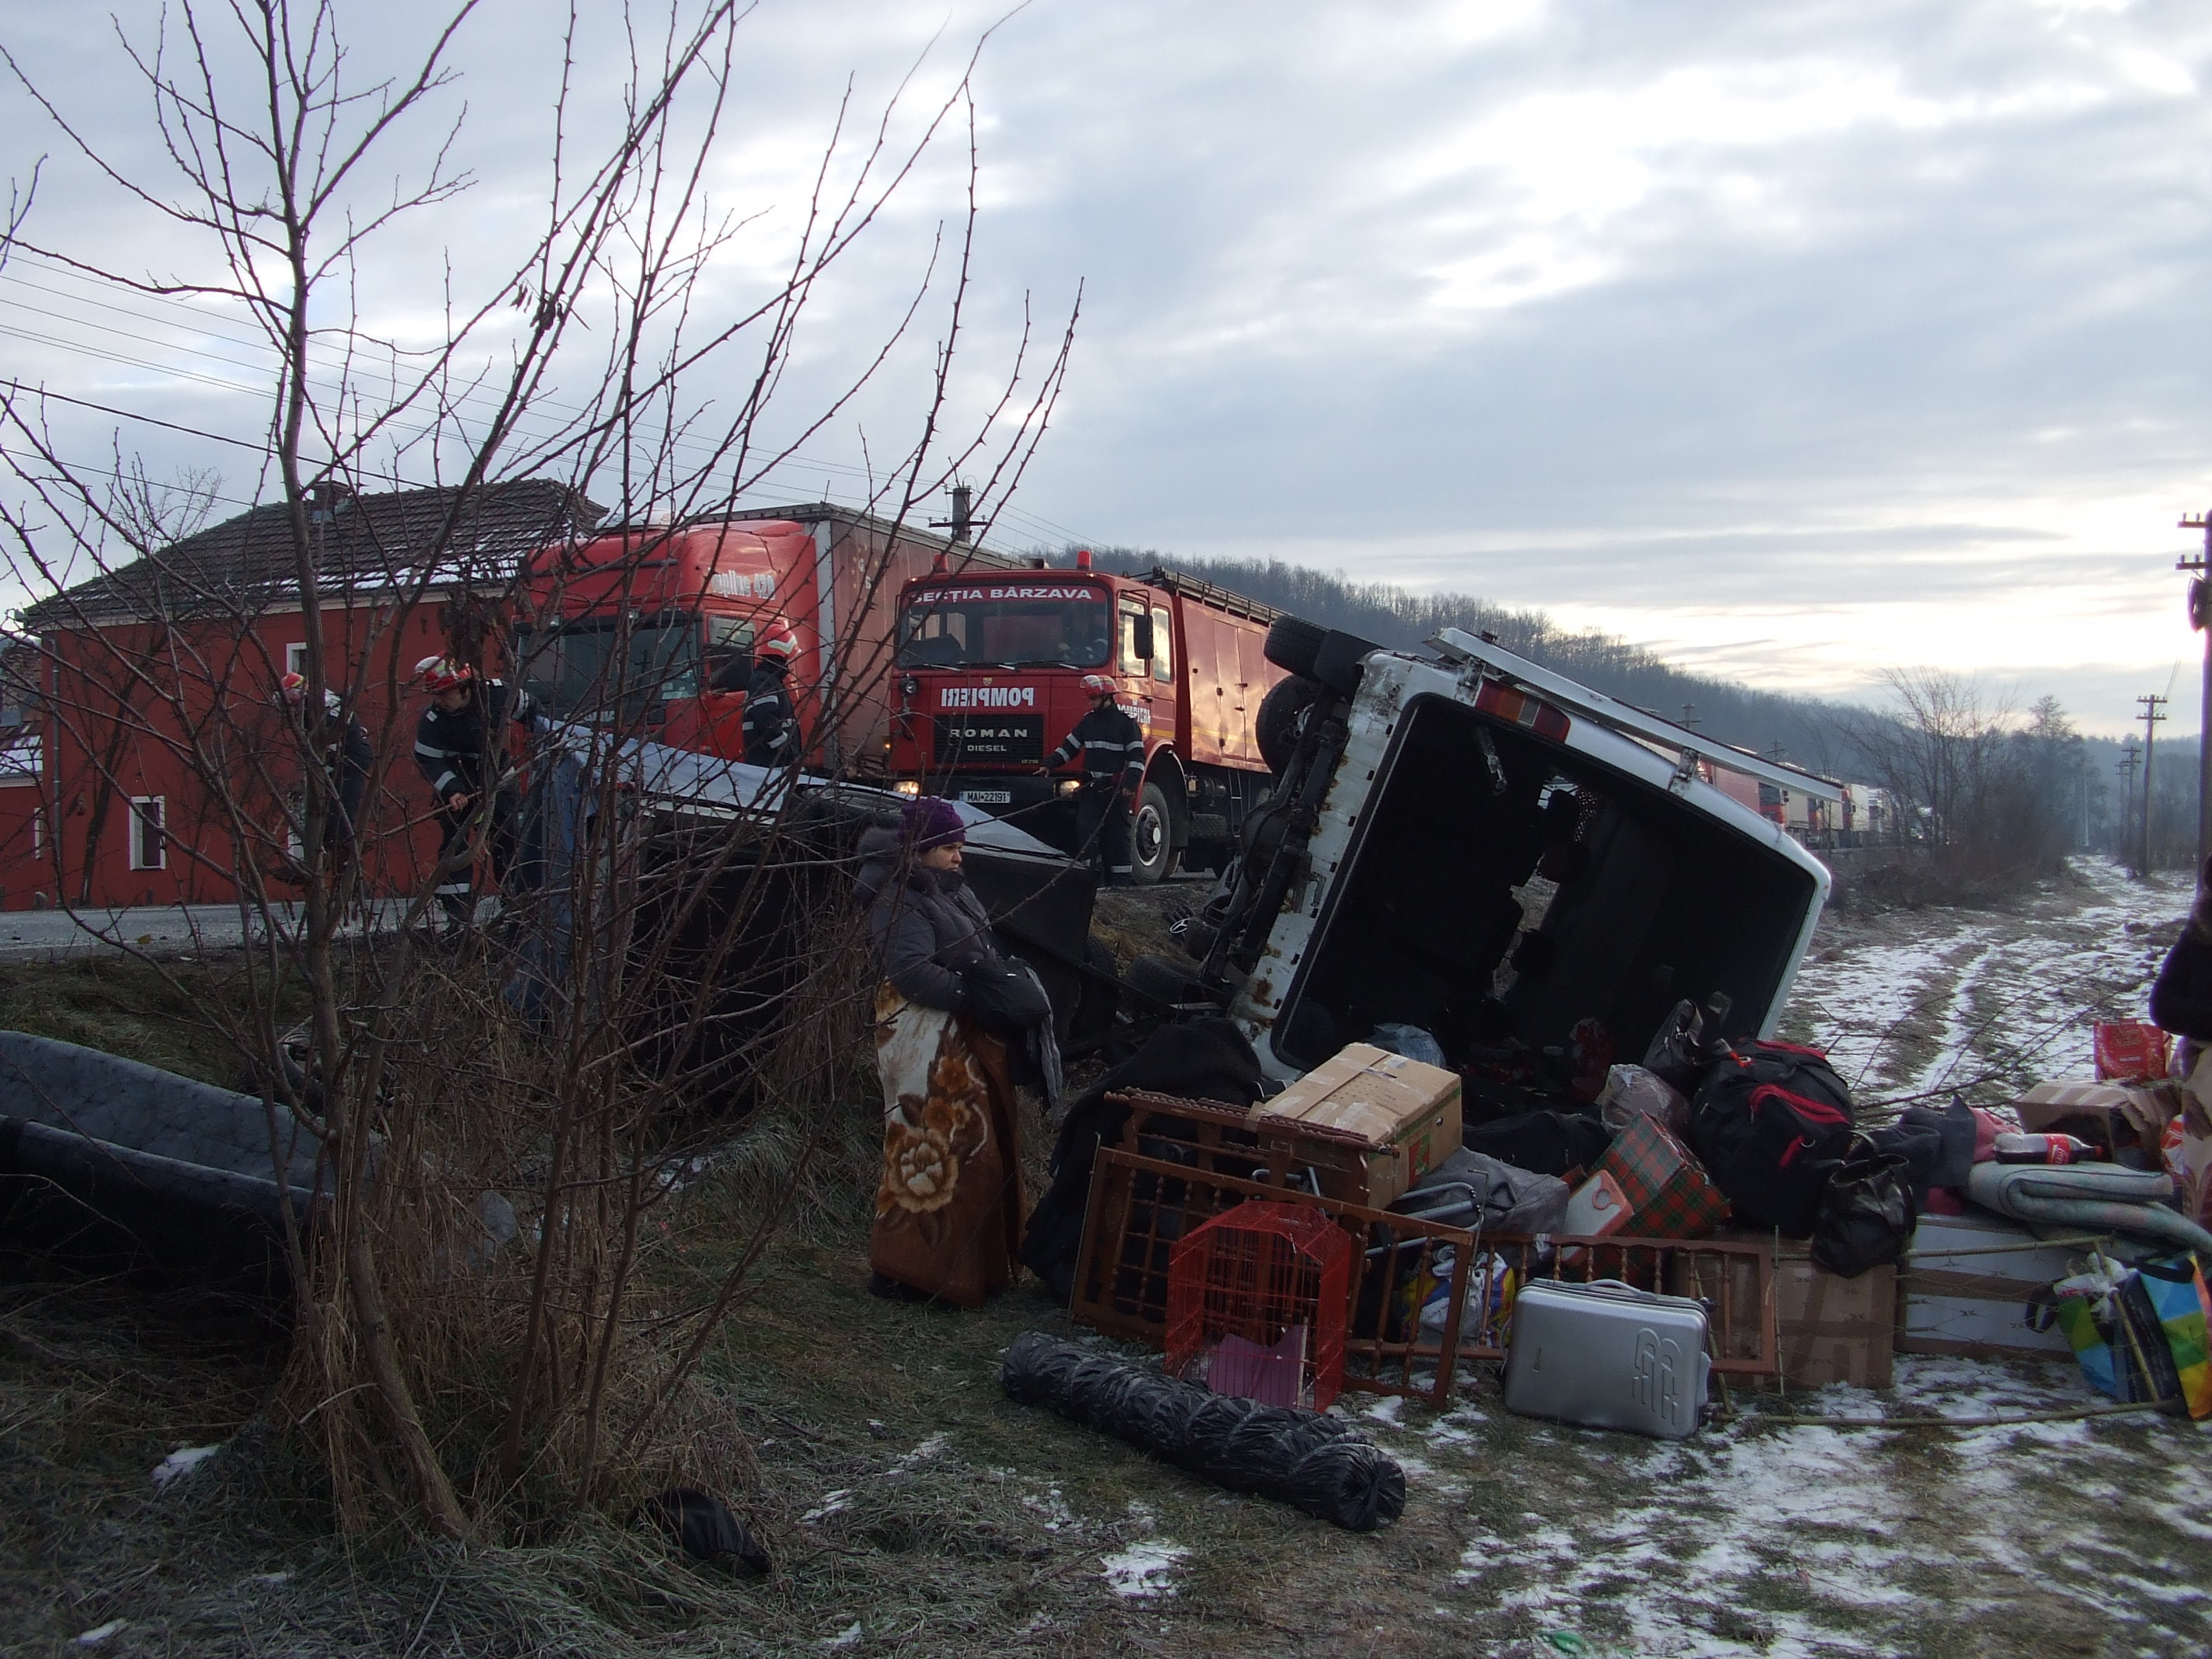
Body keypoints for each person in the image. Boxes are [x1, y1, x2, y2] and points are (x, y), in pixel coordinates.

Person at [854, 795, 1028, 1306]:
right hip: (922, 1036)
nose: (958, 856)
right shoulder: (899, 895)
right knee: (933, 1151)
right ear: (919, 849)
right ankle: (910, 1274)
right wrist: (971, 997)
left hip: (953, 1035)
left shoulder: (953, 890)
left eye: (959, 846)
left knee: (970, 1153)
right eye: (947, 847)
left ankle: (960, 1272)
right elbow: (908, 969)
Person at [412, 655, 539, 926]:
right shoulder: (434, 720)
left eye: (444, 694)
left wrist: (542, 743)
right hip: (459, 780)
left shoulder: (498, 695)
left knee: (509, 839)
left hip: (499, 779)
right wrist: (452, 790)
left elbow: (534, 714)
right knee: (455, 843)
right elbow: (428, 759)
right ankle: (457, 917)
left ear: (464, 688)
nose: (439, 701)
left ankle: (516, 909)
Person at [1039, 673, 1145, 885]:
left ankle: (1122, 882)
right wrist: (1049, 764)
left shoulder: (1126, 725)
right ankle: (1089, 880)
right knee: (1086, 830)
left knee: (1118, 837)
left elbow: (1137, 758)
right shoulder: (1088, 722)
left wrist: (1130, 784)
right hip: (1092, 791)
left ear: (1107, 697)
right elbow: (1069, 748)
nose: (1090, 702)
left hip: (1115, 792)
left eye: (1093, 698)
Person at [277, 671, 372, 873]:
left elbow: (326, 740)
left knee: (339, 815)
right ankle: (333, 860)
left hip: (348, 762)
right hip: (343, 761)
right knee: (326, 815)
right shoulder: (324, 700)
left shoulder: (317, 710)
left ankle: (344, 865)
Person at [742, 624, 802, 768]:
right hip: (771, 764)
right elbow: (766, 721)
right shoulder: (764, 681)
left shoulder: (768, 680)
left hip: (772, 763)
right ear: (784, 656)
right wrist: (787, 751)